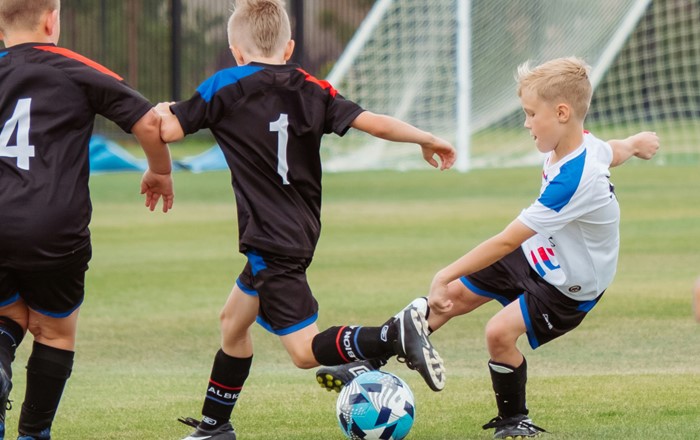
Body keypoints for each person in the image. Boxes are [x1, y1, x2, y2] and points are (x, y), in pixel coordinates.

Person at [317, 57, 660, 439]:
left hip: (570, 285)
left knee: (497, 333)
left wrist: (444, 272)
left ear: (562, 113)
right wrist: (635, 143)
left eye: (531, 114)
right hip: (540, 250)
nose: (526, 123)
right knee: (454, 297)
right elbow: (610, 150)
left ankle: (516, 420)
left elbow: (505, 240)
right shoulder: (581, 146)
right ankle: (368, 360)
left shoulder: (575, 181)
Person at [156, 1, 454, 439]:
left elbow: (168, 130)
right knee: (233, 322)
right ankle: (215, 426)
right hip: (299, 229)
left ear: (235, 51)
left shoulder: (224, 85)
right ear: (289, 46)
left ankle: (392, 335)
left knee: (302, 351)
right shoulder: (312, 87)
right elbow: (373, 123)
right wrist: (425, 138)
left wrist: (163, 111)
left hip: (268, 238)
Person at [0, 1, 174, 439]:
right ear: (52, 20)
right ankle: (33, 434)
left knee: (8, 317)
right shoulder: (75, 68)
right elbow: (150, 122)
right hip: (54, 226)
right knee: (54, 332)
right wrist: (160, 171)